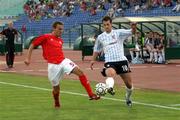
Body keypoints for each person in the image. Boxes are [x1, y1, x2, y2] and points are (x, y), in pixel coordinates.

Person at [24, 21, 100, 108]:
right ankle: (56, 101)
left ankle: (90, 94)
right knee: (56, 88)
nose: (61, 31)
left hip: (63, 61)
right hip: (53, 66)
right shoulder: (46, 37)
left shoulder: (60, 40)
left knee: (80, 72)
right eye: (59, 29)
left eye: (62, 29)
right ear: (54, 28)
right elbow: (32, 45)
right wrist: (27, 58)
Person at [90, 16, 135, 106]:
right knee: (110, 73)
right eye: (104, 25)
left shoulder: (118, 33)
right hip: (110, 62)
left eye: (108, 24)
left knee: (129, 85)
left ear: (111, 24)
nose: (106, 26)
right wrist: (92, 60)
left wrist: (134, 27)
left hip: (122, 61)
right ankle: (110, 88)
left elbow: (131, 32)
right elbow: (96, 49)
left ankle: (128, 97)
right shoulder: (100, 37)